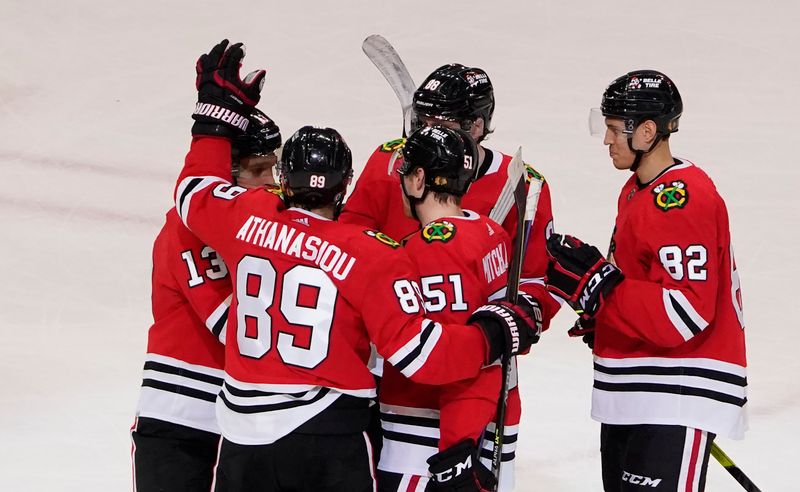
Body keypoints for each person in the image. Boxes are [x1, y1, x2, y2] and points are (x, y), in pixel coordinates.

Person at [175, 39, 542, 492]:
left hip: (240, 438)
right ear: (345, 185)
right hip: (326, 434)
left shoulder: (246, 218)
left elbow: (193, 190)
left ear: (282, 180)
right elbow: (422, 355)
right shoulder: (370, 254)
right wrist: (494, 332)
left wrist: (215, 117)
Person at [341, 62, 560, 484]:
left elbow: (534, 284)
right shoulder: (394, 160)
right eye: (420, 119)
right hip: (392, 370)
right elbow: (349, 238)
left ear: (475, 126)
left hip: (474, 385)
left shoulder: (524, 186)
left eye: (436, 122)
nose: (423, 131)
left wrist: (513, 325)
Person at [546, 70, 748, 492]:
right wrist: (604, 311)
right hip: (636, 389)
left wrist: (602, 287)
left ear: (648, 131)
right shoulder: (636, 190)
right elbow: (642, 287)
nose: (606, 140)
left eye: (613, 129)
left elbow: (685, 313)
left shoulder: (683, 198)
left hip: (677, 391)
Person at [377, 125, 538, 492]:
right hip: (488, 421)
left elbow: (455, 361)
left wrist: (456, 449)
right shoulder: (489, 232)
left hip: (429, 441)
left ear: (419, 179)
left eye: (406, 173)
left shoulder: (428, 250)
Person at [131, 108, 282, 492]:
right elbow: (237, 328)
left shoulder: (263, 229)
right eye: (259, 171)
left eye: (275, 170)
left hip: (237, 419)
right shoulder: (186, 228)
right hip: (182, 419)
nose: (273, 184)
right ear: (227, 175)